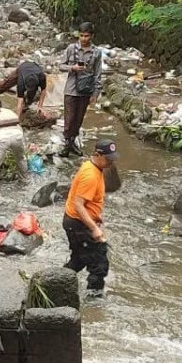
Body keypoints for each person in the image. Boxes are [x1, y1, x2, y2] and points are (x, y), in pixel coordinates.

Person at [63, 139, 117, 298]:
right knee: (99, 263)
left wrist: (95, 215)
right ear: (98, 155)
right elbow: (79, 205)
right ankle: (95, 300)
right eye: (108, 158)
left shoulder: (92, 166)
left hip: (74, 222)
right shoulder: (91, 175)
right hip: (78, 225)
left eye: (112, 158)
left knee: (80, 258)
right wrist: (94, 229)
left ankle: (57, 282)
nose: (110, 162)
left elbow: (85, 201)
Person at [58, 22, 103, 157]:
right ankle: (67, 143)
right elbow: (60, 65)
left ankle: (72, 142)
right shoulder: (71, 48)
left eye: (86, 36)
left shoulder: (96, 53)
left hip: (86, 90)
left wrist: (96, 93)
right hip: (71, 89)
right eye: (81, 36)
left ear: (92, 36)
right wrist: (72, 68)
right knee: (69, 118)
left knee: (78, 119)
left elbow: (98, 73)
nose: (83, 39)